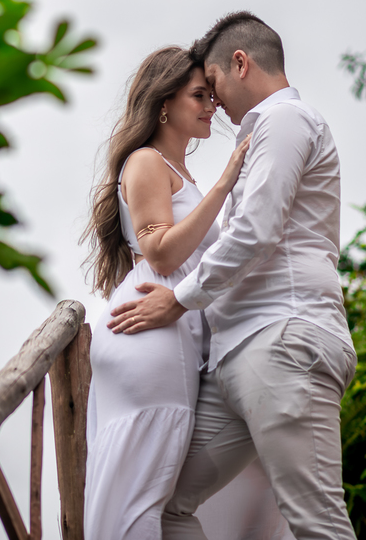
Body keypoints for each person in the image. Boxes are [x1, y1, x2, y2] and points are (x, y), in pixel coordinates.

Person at [107, 12, 357, 540]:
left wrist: (180, 301)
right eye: (201, 95)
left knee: (315, 520)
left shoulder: (284, 121)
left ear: (239, 63)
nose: (214, 103)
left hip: (281, 338)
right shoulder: (257, 136)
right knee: (168, 507)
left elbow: (257, 230)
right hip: (236, 357)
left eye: (213, 85)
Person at [81, 45, 252, 539]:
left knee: (144, 492)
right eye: (199, 95)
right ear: (163, 103)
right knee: (141, 495)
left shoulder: (171, 171)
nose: (211, 106)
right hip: (153, 332)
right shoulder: (146, 161)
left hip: (163, 327)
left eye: (211, 96)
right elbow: (160, 252)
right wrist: (224, 187)